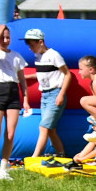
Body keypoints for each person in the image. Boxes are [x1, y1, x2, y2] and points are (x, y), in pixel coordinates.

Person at [0, 24, 29, 179]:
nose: (5, 40)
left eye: (7, 37)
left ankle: (3, 168)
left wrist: (26, 99)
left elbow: (22, 79)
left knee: (10, 134)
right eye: (2, 37)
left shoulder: (16, 56)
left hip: (13, 92)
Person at [22, 28, 71, 158]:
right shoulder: (38, 56)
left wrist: (61, 94)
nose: (30, 48)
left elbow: (67, 74)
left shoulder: (54, 55)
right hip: (45, 95)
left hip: (55, 94)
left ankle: (34, 157)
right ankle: (61, 154)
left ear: (41, 42)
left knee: (44, 127)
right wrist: (27, 77)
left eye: (32, 45)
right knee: (51, 129)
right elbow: (43, 74)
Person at [78, 55, 96, 140]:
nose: (79, 72)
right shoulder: (94, 82)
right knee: (91, 116)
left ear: (91, 69)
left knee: (84, 101)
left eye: (81, 69)